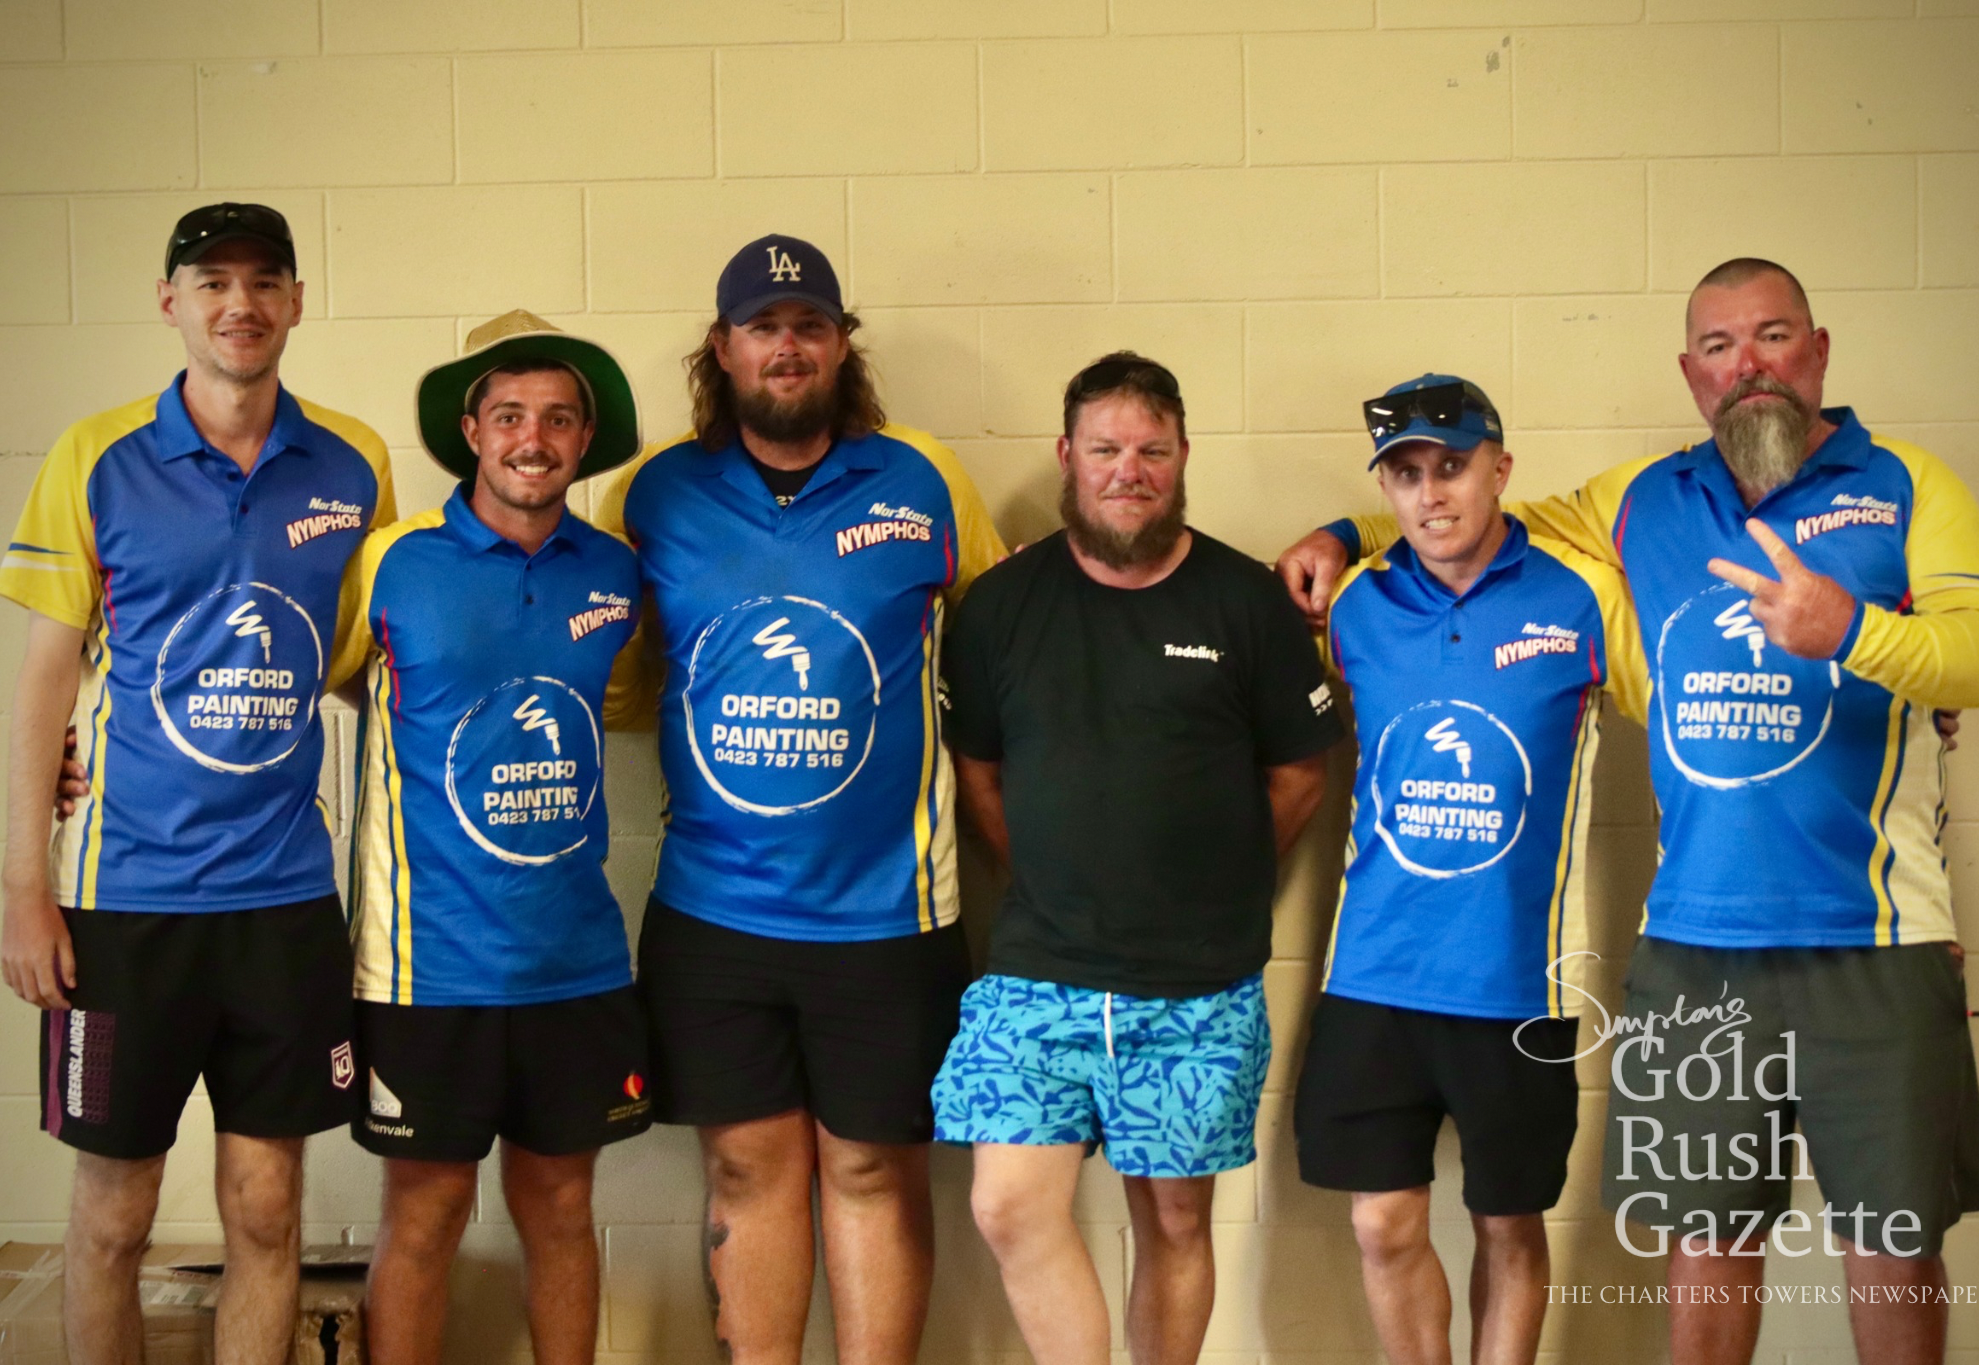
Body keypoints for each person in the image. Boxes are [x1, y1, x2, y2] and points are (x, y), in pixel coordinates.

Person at [1275, 260, 1979, 1365]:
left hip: (1876, 935)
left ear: (1815, 352)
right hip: (1691, 946)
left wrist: (1851, 632)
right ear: (1690, 375)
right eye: (1718, 347)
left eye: (1771, 337)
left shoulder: (1909, 485)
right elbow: (1476, 515)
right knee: (1703, 1243)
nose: (1748, 365)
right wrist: (1340, 530)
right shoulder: (1639, 500)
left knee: (1890, 1244)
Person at [593, 235, 1005, 1365]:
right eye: (763, 326)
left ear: (840, 346)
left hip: (889, 916)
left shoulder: (924, 479)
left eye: (810, 325)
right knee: (743, 1168)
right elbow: (620, 677)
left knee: (872, 1168)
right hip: (714, 915)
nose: (788, 346)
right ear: (721, 348)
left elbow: (1001, 650)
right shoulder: (659, 489)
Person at [0, 203, 392, 1365]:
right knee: (114, 1216)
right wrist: (24, 889)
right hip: (124, 907)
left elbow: (370, 668)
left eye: (265, 281)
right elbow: (40, 687)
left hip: (280, 906)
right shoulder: (94, 455)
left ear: (297, 302)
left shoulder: (354, 460)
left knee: (266, 1211)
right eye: (212, 282)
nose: (241, 305)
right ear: (169, 301)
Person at [933, 353, 1343, 1365]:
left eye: (1151, 450)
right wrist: (1046, 875)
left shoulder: (1245, 603)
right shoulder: (999, 607)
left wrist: (1220, 875)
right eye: (1106, 449)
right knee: (1008, 1207)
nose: (1129, 470)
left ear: (1182, 457)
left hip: (1195, 989)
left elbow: (1299, 775)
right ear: (1066, 457)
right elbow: (975, 771)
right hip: (1036, 974)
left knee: (1173, 1226)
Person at [1294, 374, 1647, 1365]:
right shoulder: (1350, 600)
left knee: (1507, 1224)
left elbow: (1697, 698)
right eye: (1404, 475)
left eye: (1450, 467)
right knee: (1381, 1226)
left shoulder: (1581, 599)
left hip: (1518, 986)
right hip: (1372, 977)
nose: (1430, 495)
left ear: (1500, 469)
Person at [330, 311, 651, 1365]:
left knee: (561, 1209)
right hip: (427, 969)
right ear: (470, 430)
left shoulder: (616, 574)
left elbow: (660, 700)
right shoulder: (389, 563)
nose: (533, 437)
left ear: (582, 442)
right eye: (509, 413)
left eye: (558, 418)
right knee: (423, 1215)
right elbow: (282, 680)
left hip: (577, 964)